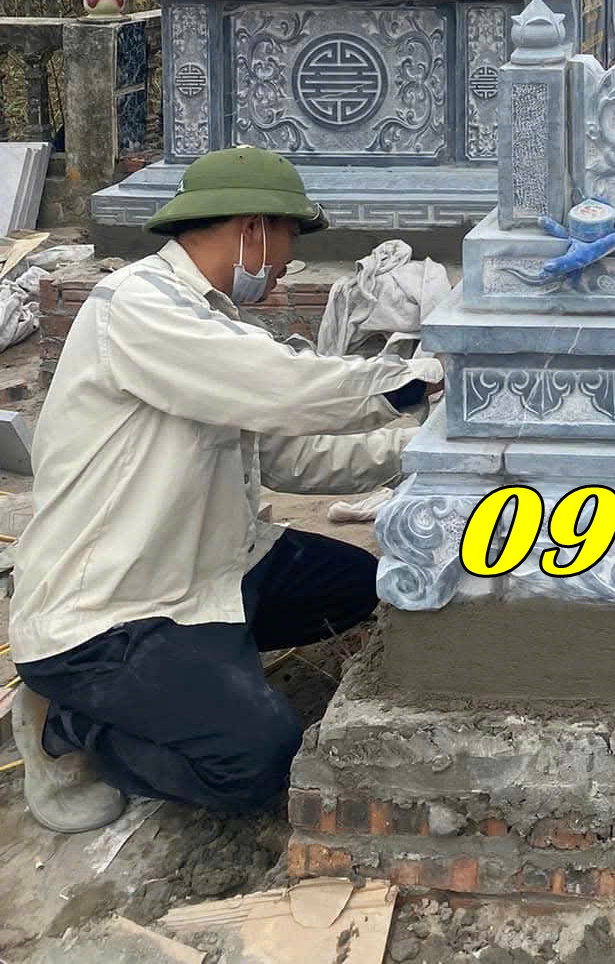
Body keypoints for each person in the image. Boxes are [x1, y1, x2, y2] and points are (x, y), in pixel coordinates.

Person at [8, 145, 442, 833]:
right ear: (252, 228)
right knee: (256, 760)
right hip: (112, 610)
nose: (286, 263)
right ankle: (66, 727)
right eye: (288, 238)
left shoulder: (214, 324)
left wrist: (420, 447)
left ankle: (197, 683)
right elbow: (287, 389)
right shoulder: (137, 307)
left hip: (209, 565)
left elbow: (293, 458)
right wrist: (414, 382)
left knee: (358, 586)